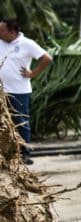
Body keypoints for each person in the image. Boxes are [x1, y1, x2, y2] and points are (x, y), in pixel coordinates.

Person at [0, 18, 52, 165]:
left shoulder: (27, 44)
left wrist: (32, 73)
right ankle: (6, 153)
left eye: (2, 30)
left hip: (19, 91)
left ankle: (24, 153)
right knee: (3, 123)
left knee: (20, 122)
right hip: (1, 91)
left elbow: (47, 58)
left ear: (12, 31)